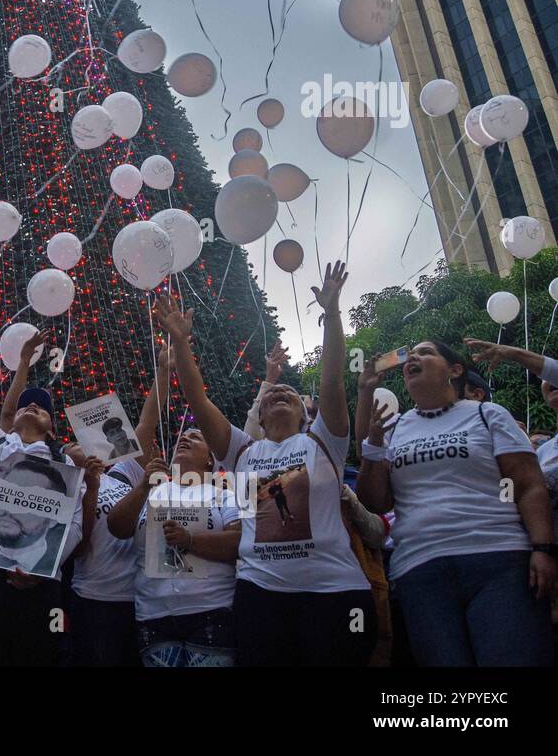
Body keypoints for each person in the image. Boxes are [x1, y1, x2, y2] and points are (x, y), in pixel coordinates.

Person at [156, 262, 376, 667]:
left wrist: (331, 315)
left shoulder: (323, 443)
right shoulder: (242, 452)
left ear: (305, 416)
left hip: (335, 594)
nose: (280, 394)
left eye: (290, 395)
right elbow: (199, 403)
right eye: (273, 393)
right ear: (260, 408)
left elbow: (330, 382)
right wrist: (181, 343)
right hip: (261, 596)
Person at [357, 340, 556, 665]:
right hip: (420, 572)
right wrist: (374, 440)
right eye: (411, 355)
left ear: (455, 370)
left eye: (426, 352)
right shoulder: (398, 428)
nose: (414, 358)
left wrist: (543, 550)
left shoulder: (487, 414)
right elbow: (375, 501)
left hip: (498, 564)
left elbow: (527, 485)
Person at [0, 284, 85, 667]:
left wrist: (49, 567)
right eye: (24, 404)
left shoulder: (66, 461)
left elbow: (75, 523)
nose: (31, 408)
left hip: (41, 583)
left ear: (51, 425)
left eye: (40, 409)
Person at [65, 346, 166, 666]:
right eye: (74, 445)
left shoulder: (124, 475)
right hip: (93, 601)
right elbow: (75, 548)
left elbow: (146, 425)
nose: (83, 447)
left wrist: (164, 370)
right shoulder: (69, 488)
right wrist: (90, 487)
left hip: (137, 600)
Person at [108, 428, 241, 667]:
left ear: (210, 458)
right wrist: (142, 486)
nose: (185, 439)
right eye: (182, 437)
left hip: (211, 612)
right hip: (153, 618)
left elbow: (239, 543)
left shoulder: (225, 495)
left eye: (196, 437)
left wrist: (190, 540)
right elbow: (117, 527)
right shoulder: (152, 492)